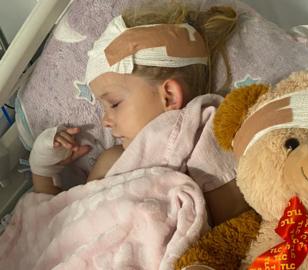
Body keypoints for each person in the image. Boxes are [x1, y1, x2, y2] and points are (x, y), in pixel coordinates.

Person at [29, 3, 249, 226]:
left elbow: (230, 233)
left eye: (114, 104)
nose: (104, 121)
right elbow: (63, 227)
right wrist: (42, 168)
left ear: (169, 96)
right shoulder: (112, 161)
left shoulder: (204, 138)